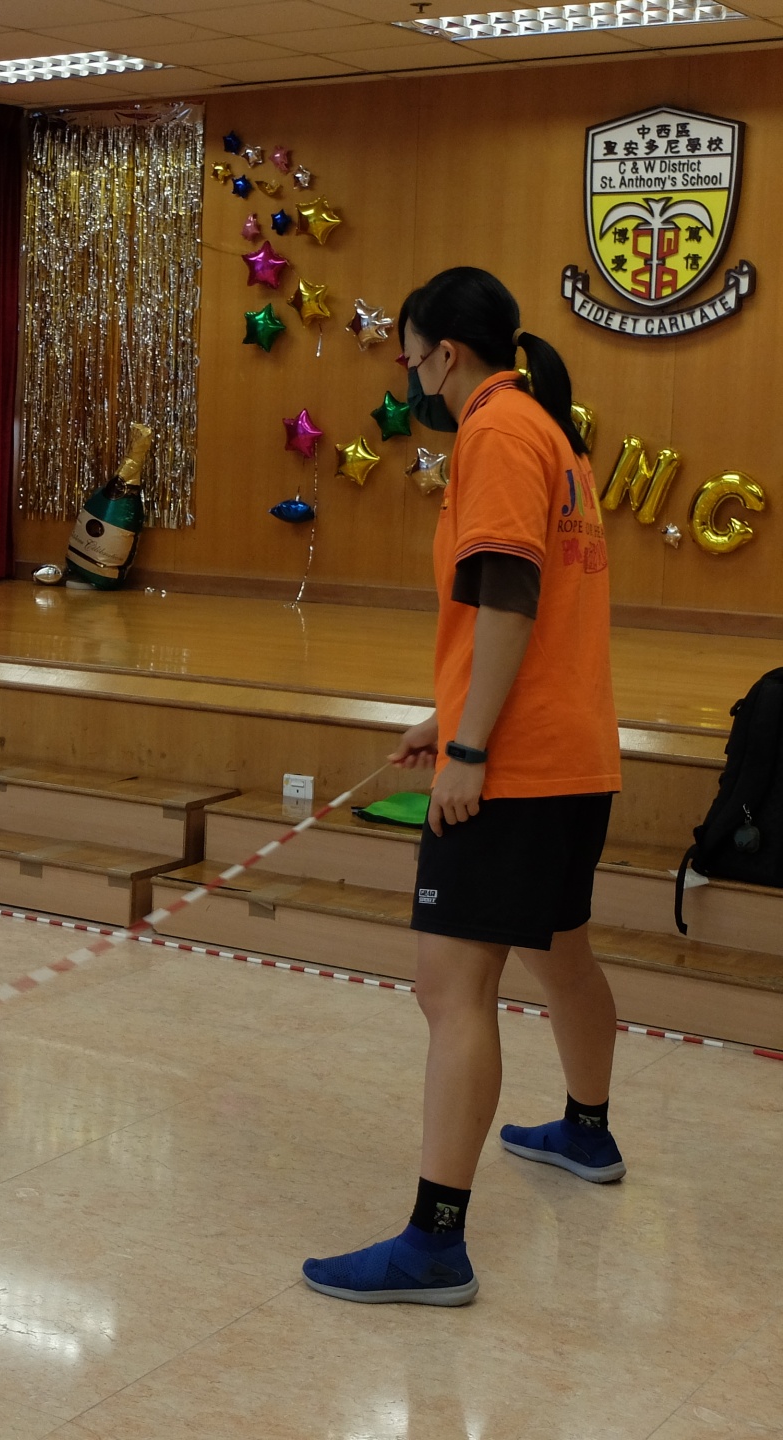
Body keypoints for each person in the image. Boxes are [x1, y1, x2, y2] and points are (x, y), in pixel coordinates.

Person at [302, 268, 623, 1306]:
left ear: (446, 352)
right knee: (561, 951)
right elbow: (536, 612)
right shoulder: (551, 431)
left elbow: (511, 593)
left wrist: (471, 750)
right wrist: (452, 714)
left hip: (516, 768)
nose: (411, 379)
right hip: (573, 750)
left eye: (409, 358)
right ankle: (586, 1130)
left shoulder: (493, 431)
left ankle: (435, 1243)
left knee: (451, 989)